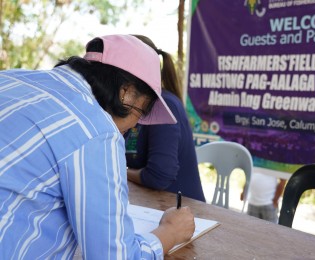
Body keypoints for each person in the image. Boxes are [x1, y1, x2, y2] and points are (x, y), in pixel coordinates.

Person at [0, 34, 195, 259]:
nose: (133, 127)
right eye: (141, 113)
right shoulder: (96, 131)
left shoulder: (11, 78)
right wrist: (169, 232)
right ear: (127, 93)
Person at [125, 35, 205, 202]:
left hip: (181, 211)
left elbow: (159, 176)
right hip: (150, 204)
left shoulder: (164, 106)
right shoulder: (133, 106)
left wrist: (119, 171)